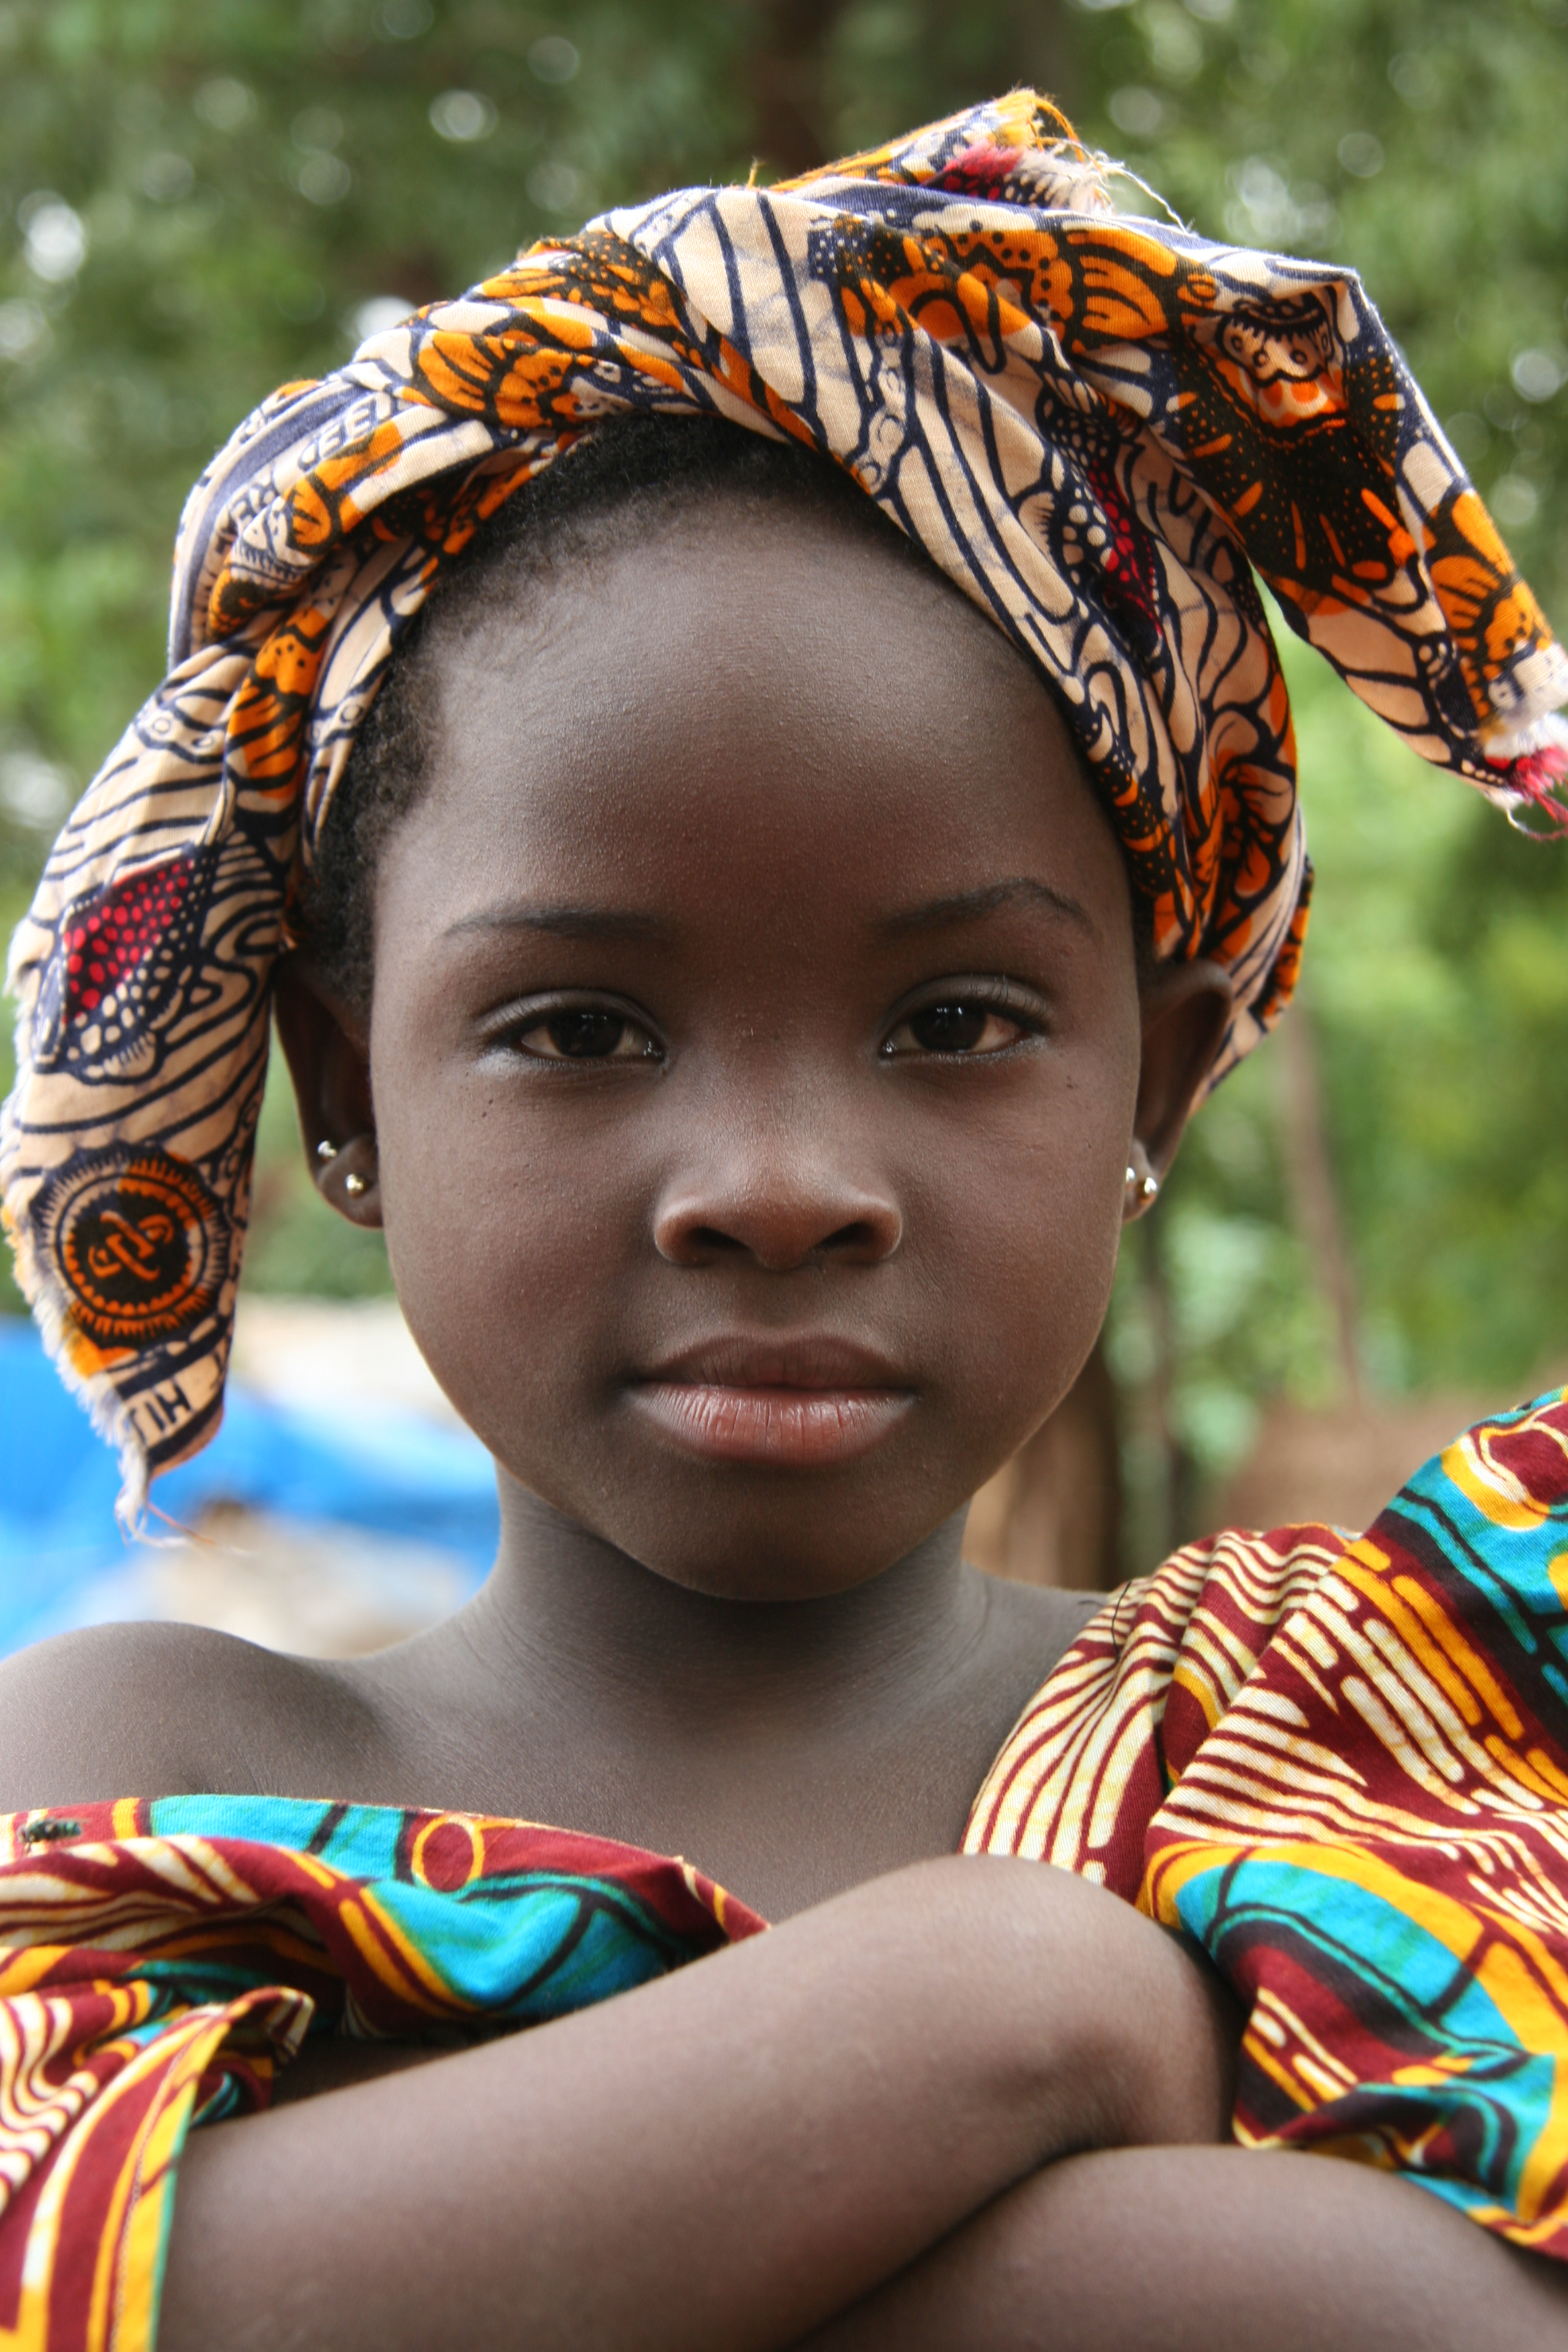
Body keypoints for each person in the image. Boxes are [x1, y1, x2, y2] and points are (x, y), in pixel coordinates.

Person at [0, 91, 1567, 2351]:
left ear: (1164, 1062)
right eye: (577, 1028)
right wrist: (993, 2015)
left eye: (951, 1019)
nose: (775, 1188)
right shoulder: (133, 1772)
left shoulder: (1363, 1746)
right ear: (343, 1087)